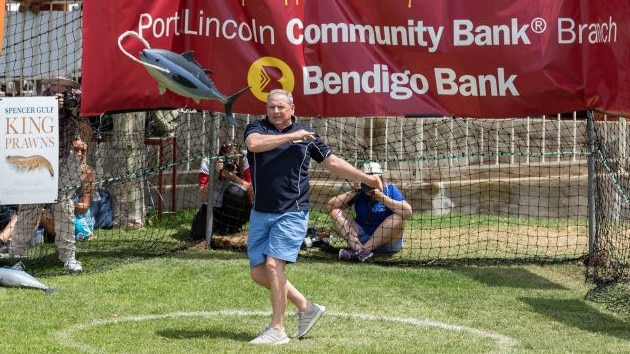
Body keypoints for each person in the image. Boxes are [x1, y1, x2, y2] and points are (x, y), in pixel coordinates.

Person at [244, 89, 383, 345]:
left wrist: (365, 178)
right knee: (259, 272)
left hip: (292, 212)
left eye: (281, 107)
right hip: (261, 212)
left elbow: (332, 162)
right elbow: (254, 145)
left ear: (292, 109)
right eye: (272, 107)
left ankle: (277, 330)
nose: (276, 111)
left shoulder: (307, 137)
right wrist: (291, 136)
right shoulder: (256, 128)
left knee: (274, 267)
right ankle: (307, 307)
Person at [10, 74, 92, 271]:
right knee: (30, 207)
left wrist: (74, 113)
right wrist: (48, 110)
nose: (59, 91)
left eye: (64, 87)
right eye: (56, 86)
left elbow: (87, 135)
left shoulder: (77, 101)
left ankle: (68, 257)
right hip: (38, 161)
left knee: (64, 206)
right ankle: (16, 255)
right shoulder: (38, 101)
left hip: (65, 160)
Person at [327, 162, 413, 262]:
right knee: (335, 212)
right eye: (368, 179)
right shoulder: (359, 192)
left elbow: (408, 212)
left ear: (380, 178)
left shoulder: (390, 190)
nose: (371, 183)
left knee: (398, 218)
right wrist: (354, 191)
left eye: (374, 179)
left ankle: (361, 252)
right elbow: (331, 206)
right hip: (361, 239)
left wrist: (382, 198)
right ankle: (360, 251)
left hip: (387, 242)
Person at [194, 141, 252, 239]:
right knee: (198, 234)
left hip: (239, 208)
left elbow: (253, 192)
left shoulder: (245, 158)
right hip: (215, 206)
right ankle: (221, 228)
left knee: (234, 192)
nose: (230, 162)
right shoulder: (209, 160)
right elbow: (204, 196)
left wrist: (233, 177)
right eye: (227, 159)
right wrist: (216, 175)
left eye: (233, 158)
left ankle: (234, 227)